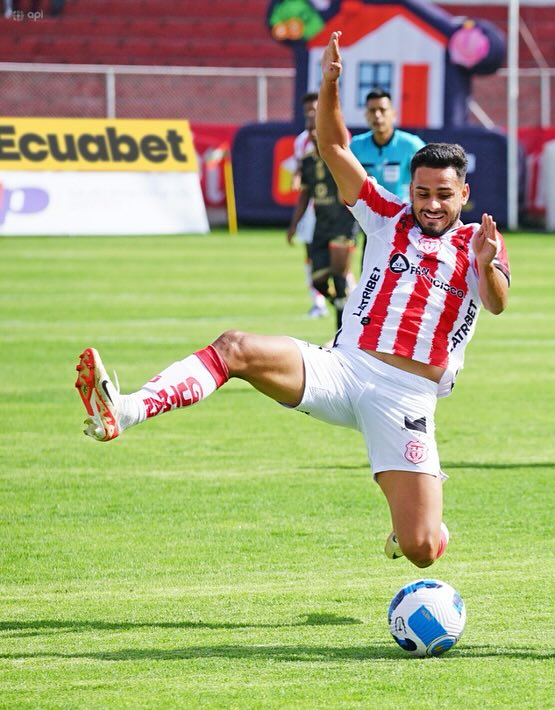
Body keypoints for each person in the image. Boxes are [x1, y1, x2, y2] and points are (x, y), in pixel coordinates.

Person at [75, 30, 510, 570]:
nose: (432, 205)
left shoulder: (478, 242)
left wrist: (488, 264)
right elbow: (333, 147)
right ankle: (125, 409)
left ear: (463, 194)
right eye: (423, 193)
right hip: (342, 368)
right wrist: (329, 86)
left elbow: (496, 304)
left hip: (406, 398)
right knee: (235, 347)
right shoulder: (387, 214)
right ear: (412, 190)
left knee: (422, 550)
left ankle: (422, 530)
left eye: (444, 195)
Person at [286, 124, 359, 330]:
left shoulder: (341, 158)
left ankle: (341, 330)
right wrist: (294, 225)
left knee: (339, 275)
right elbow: (304, 195)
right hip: (321, 225)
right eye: (311, 131)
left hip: (343, 225)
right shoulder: (307, 161)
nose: (315, 134)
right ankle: (345, 304)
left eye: (319, 129)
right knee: (318, 281)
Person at [349, 88, 426, 268]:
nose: (377, 115)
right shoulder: (356, 146)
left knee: (407, 269)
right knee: (370, 269)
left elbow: (429, 176)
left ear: (393, 113)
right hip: (371, 219)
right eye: (372, 110)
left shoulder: (411, 145)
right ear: (366, 115)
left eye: (382, 110)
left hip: (404, 218)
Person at [288, 91, 330, 319]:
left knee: (338, 256)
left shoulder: (339, 136)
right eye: (308, 112)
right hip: (313, 209)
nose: (311, 116)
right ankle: (318, 302)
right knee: (310, 255)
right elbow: (300, 172)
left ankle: (350, 298)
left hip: (336, 211)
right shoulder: (301, 141)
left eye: (315, 110)